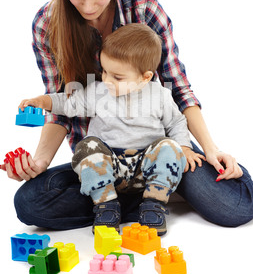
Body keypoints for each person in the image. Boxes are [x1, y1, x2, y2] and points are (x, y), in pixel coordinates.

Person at [0, 0, 253, 230]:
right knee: (30, 203)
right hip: (101, 161)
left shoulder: (145, 9)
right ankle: (144, 197)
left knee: (234, 208)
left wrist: (208, 149)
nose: (88, 7)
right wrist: (40, 162)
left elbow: (179, 92)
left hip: (156, 149)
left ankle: (157, 186)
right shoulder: (47, 24)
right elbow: (62, 105)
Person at [18, 23, 205, 235]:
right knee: (87, 146)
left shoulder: (160, 95)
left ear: (146, 77)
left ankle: (154, 203)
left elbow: (177, 123)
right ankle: (106, 205)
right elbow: (67, 103)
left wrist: (184, 147)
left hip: (145, 167)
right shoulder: (98, 91)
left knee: (170, 148)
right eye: (104, 71)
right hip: (107, 167)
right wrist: (41, 101)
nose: (106, 80)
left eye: (117, 77)